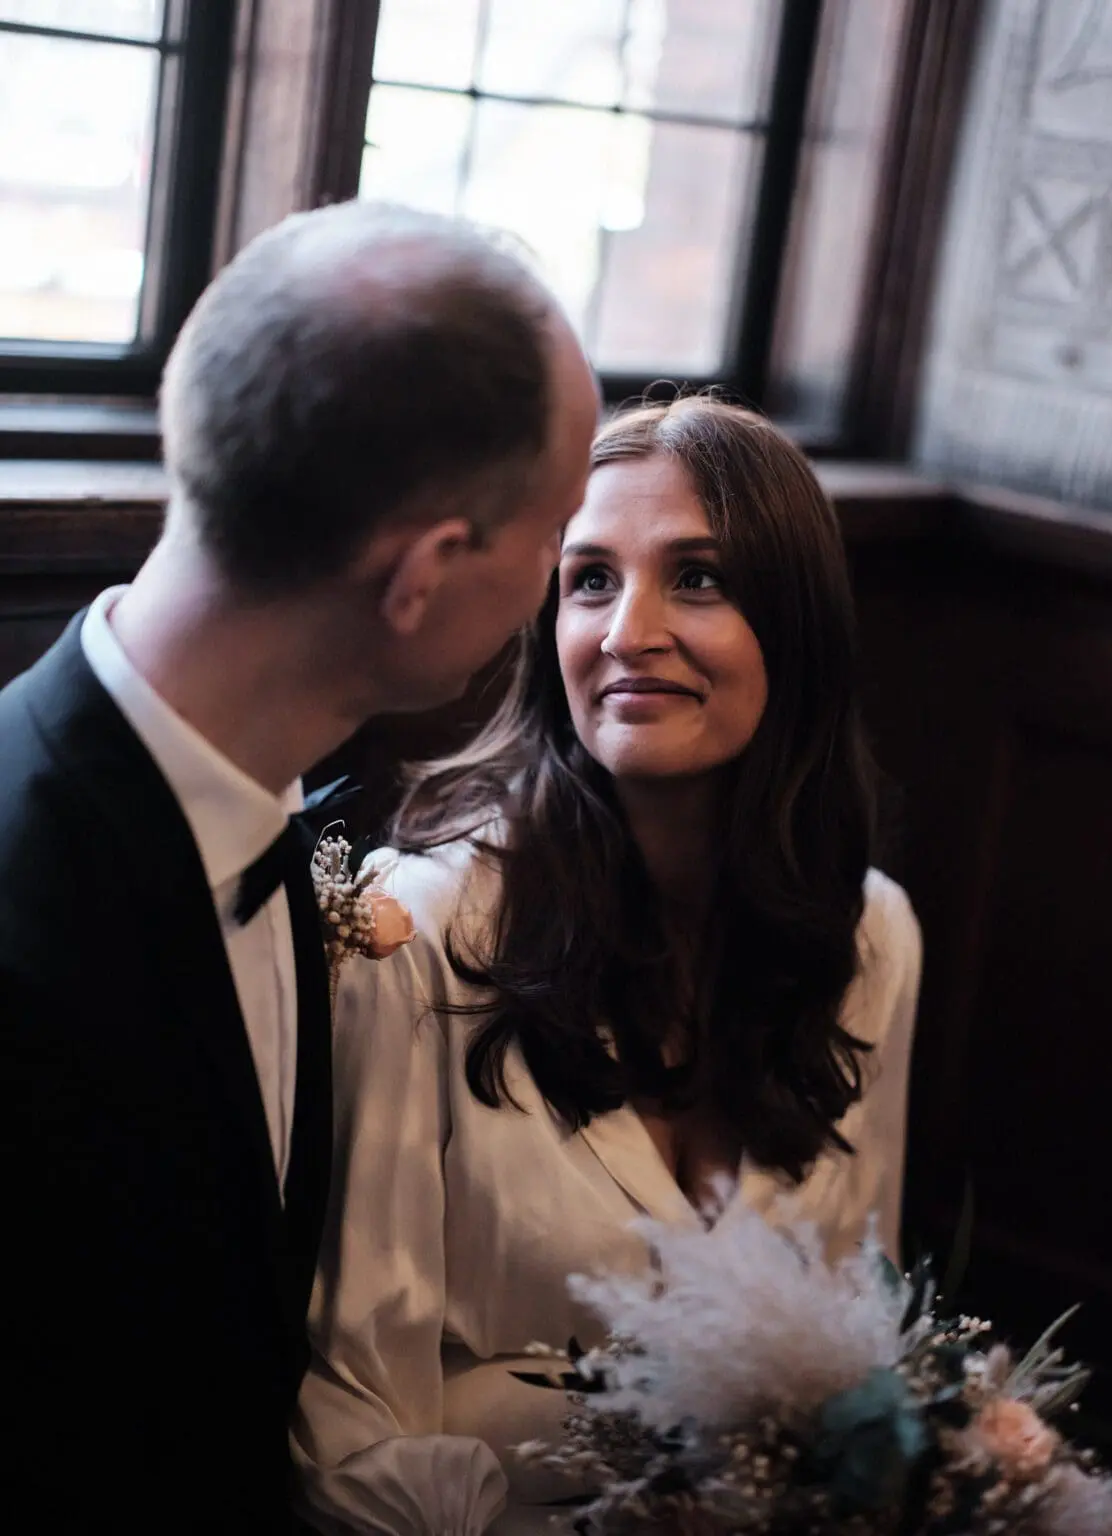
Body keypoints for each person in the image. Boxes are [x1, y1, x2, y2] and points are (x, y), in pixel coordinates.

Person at [0, 200, 599, 1533]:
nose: (563, 581)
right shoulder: (24, 932)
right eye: (557, 530)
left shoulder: (298, 818)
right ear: (428, 574)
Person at [293, 397, 923, 1536]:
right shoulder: (415, 936)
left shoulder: (871, 938)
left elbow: (847, 1362)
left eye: (698, 579)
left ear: (798, 625)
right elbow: (350, 1439)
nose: (629, 629)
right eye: (589, 579)